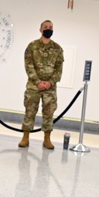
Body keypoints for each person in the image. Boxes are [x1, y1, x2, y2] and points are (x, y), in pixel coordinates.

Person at [19, 20, 65, 151]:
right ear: (40, 30)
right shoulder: (32, 46)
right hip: (34, 86)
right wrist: (38, 82)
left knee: (49, 113)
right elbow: (28, 66)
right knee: (29, 112)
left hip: (50, 88)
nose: (48, 29)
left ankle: (47, 139)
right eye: (45, 27)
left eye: (50, 27)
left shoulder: (57, 49)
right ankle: (25, 137)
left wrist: (50, 82)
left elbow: (59, 69)